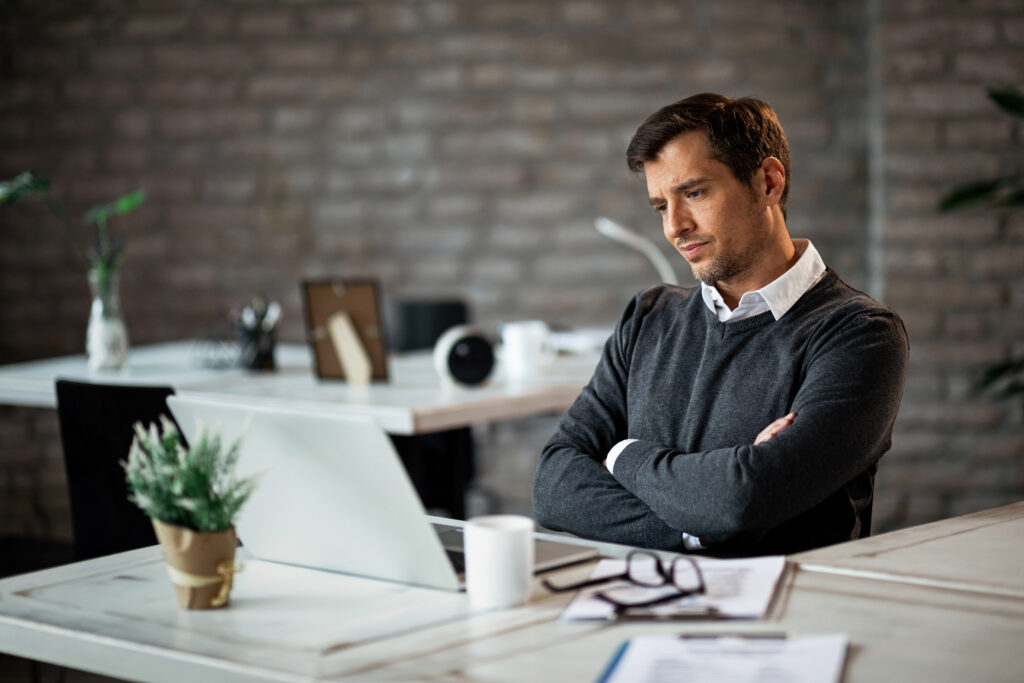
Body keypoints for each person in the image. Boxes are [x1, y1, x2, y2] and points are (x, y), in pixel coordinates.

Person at [532, 93, 908, 556]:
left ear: (768, 182)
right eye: (660, 207)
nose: (675, 227)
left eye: (694, 193)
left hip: (788, 615)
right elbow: (553, 486)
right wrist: (695, 524)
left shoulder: (859, 334)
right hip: (644, 602)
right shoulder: (648, 316)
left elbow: (740, 498)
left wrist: (619, 454)